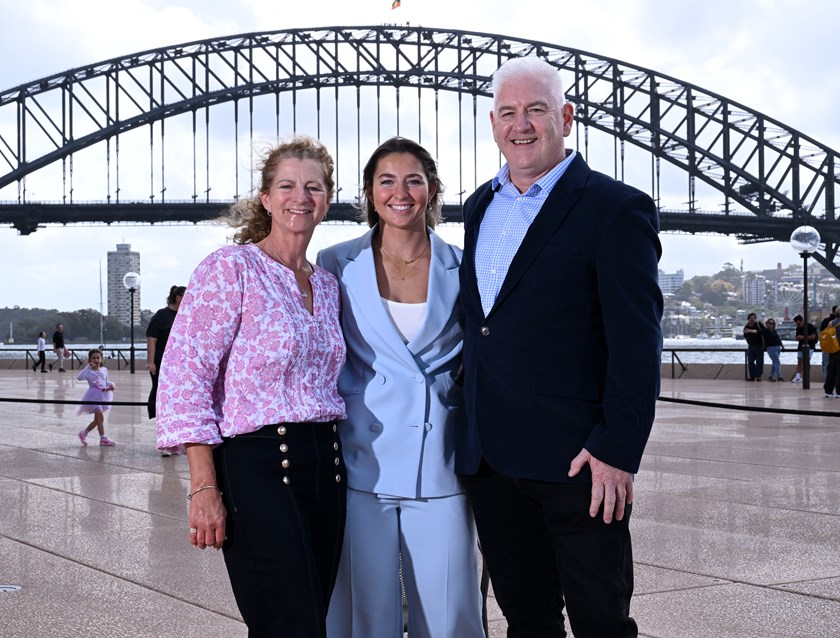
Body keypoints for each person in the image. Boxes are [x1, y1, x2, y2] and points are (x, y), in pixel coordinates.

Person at [457, 56, 663, 638]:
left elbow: (637, 343)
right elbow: (488, 328)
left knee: (601, 622)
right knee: (527, 620)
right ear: (493, 124)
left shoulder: (615, 208)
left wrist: (617, 450)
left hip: (580, 463)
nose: (521, 125)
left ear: (566, 117)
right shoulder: (479, 208)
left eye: (536, 110)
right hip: (492, 461)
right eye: (507, 113)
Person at [156, 136, 347, 637]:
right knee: (290, 625)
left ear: (328, 198)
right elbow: (185, 379)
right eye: (287, 186)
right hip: (259, 465)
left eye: (313, 187)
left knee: (310, 620)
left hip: (327, 466)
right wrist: (203, 487)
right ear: (265, 199)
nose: (300, 197)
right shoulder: (230, 269)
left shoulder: (327, 285)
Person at [317, 137, 484, 638]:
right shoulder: (334, 263)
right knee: (363, 616)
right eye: (385, 180)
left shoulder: (465, 264)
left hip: (440, 462)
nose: (400, 192)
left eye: (413, 180)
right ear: (369, 193)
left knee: (450, 613)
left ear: (432, 190)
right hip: (360, 460)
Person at [145, 284, 186, 456]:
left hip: (179, 364)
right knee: (162, 400)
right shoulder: (162, 316)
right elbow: (151, 339)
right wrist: (151, 362)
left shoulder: (185, 316)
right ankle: (164, 442)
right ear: (178, 298)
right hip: (162, 363)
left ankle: (174, 440)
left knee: (177, 401)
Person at [76, 348, 116, 446]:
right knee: (100, 417)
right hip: (93, 396)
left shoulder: (104, 370)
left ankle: (83, 433)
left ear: (101, 359)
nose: (96, 360)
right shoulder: (88, 371)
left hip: (103, 396)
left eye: (98, 358)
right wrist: (87, 366)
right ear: (90, 360)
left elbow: (105, 382)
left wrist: (112, 385)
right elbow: (79, 377)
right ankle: (103, 439)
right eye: (93, 358)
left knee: (98, 420)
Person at [791, 314, 816, 383]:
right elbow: (797, 337)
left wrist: (802, 337)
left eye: (799, 323)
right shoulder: (798, 328)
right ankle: (798, 377)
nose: (798, 325)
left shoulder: (810, 326)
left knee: (806, 361)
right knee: (799, 361)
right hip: (800, 346)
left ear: (802, 321)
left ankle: (806, 376)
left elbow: (813, 336)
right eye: (797, 324)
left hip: (810, 346)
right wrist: (798, 338)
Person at [822, 306, 840, 397]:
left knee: (831, 371)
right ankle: (839, 392)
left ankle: (828, 391)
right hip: (839, 349)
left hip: (831, 350)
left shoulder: (830, 323)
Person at [743, 313, 766, 381]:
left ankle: (758, 376)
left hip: (759, 346)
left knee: (759, 362)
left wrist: (752, 331)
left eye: (753, 317)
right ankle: (752, 376)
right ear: (748, 319)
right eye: (751, 318)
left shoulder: (759, 324)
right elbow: (745, 335)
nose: (752, 319)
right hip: (751, 346)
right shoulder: (746, 326)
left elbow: (763, 331)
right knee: (750, 362)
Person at [818, 306, 837, 380]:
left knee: (826, 363)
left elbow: (821, 333)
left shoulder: (825, 321)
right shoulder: (837, 322)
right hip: (837, 346)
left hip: (826, 346)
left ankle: (827, 380)